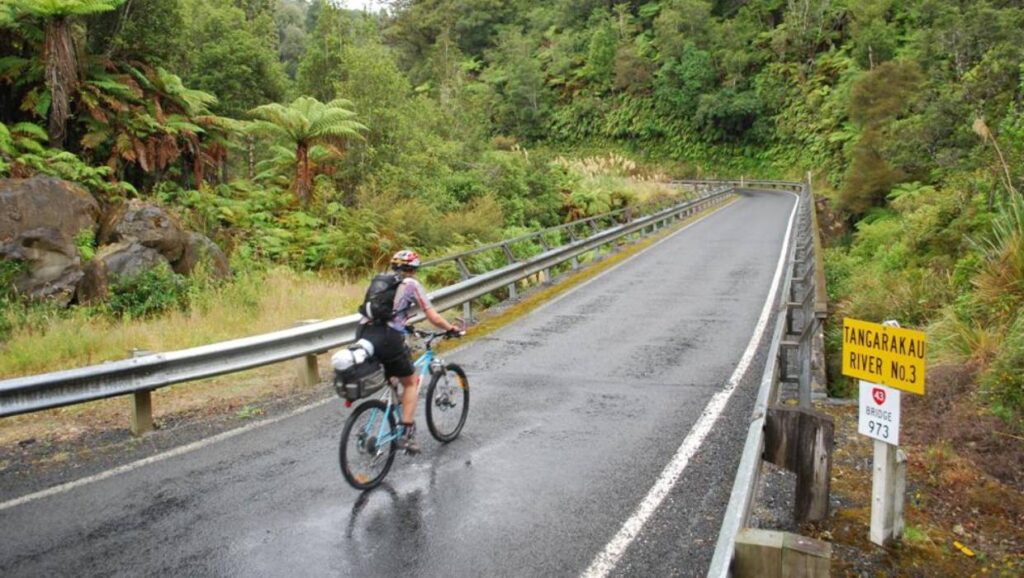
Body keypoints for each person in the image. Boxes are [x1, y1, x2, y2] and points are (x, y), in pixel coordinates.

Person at [357, 249, 463, 454]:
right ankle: (406, 432)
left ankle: (392, 405)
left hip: (364, 334)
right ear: (414, 269)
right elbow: (431, 315)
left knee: (395, 373)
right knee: (411, 382)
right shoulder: (411, 284)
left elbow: (383, 313)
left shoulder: (380, 281)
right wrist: (450, 328)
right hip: (388, 338)